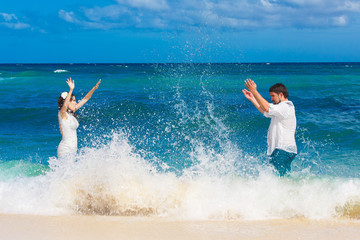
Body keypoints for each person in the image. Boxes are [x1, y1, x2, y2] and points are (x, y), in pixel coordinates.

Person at [242, 79, 297, 176]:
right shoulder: (280, 108)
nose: (271, 99)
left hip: (282, 150)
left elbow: (267, 107)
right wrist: (252, 98)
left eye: (273, 96)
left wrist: (254, 91)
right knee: (282, 179)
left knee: (280, 180)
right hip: (281, 150)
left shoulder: (286, 106)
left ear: (281, 95)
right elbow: (265, 111)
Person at [57, 77, 101, 159]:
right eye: (73, 101)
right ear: (67, 102)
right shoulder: (62, 114)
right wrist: (71, 90)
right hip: (65, 149)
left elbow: (85, 98)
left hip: (73, 150)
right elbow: (65, 105)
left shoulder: (70, 114)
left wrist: (94, 88)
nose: (75, 103)